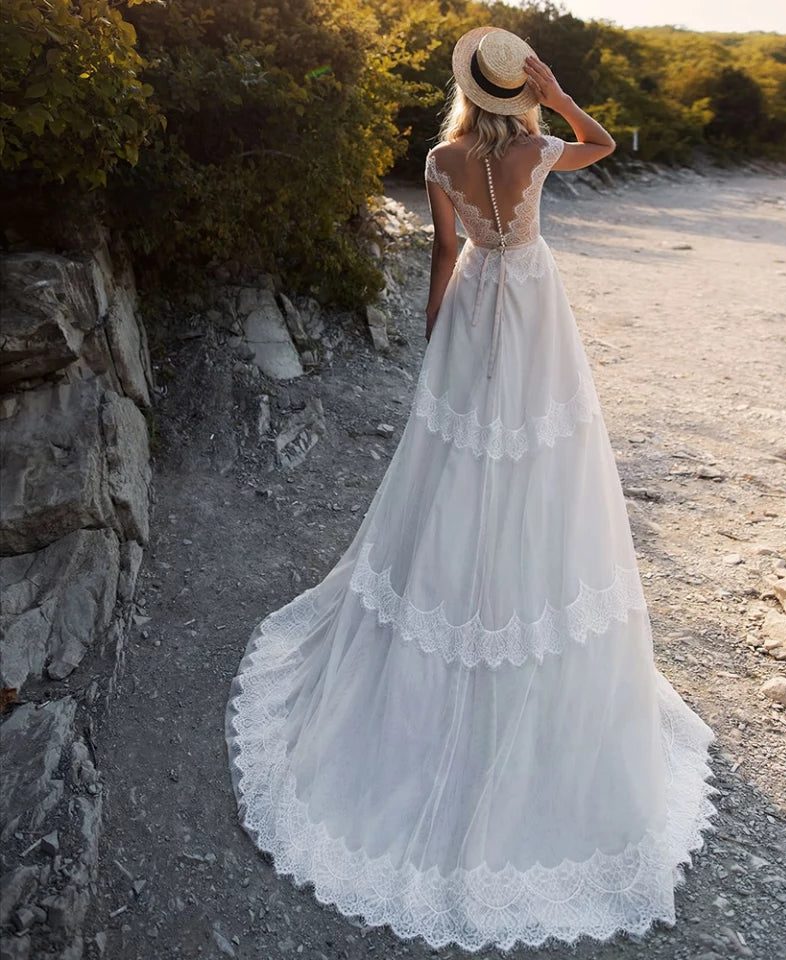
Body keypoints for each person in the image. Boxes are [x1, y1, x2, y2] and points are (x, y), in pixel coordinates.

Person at [225, 25, 717, 954]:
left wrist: (435, 331)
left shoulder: (441, 158)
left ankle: (458, 581)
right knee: (541, 453)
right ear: (515, 90)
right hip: (534, 308)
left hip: (479, 306)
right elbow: (606, 146)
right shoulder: (537, 147)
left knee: (460, 455)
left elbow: (445, 252)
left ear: (465, 93)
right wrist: (560, 91)